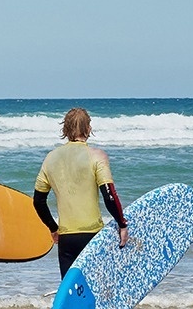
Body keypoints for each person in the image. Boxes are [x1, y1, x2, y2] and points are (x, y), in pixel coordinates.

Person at [33, 107, 129, 278]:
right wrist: (122, 224)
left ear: (65, 129)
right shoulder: (97, 156)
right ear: (89, 129)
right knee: (99, 292)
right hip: (93, 237)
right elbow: (110, 195)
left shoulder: (50, 158)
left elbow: (38, 201)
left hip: (67, 240)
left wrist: (53, 228)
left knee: (73, 294)